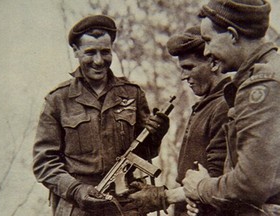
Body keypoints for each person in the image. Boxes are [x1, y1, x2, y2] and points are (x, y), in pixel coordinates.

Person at [32, 15, 169, 216]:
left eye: (105, 52)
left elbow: (142, 153)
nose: (98, 61)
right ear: (76, 52)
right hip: (77, 207)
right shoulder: (58, 100)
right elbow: (44, 163)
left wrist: (157, 134)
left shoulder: (132, 94)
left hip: (126, 206)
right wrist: (76, 190)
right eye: (90, 52)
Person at [182, 0, 280, 215]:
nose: (206, 51)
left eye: (208, 40)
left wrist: (201, 187)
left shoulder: (262, 86)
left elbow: (250, 184)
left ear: (232, 35)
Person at [127, 26, 230, 216]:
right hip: (191, 207)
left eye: (189, 67)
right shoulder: (207, 104)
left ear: (214, 62)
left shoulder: (224, 106)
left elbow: (218, 179)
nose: (184, 76)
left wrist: (162, 198)